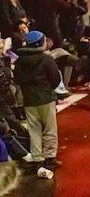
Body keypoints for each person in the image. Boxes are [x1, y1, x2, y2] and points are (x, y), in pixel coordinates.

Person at [13, 31, 61, 178]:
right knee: (49, 129)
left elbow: (17, 79)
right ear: (41, 43)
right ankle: (50, 158)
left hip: (29, 99)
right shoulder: (46, 59)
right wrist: (49, 89)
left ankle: (38, 159)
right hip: (46, 98)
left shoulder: (20, 60)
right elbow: (55, 78)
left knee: (34, 130)